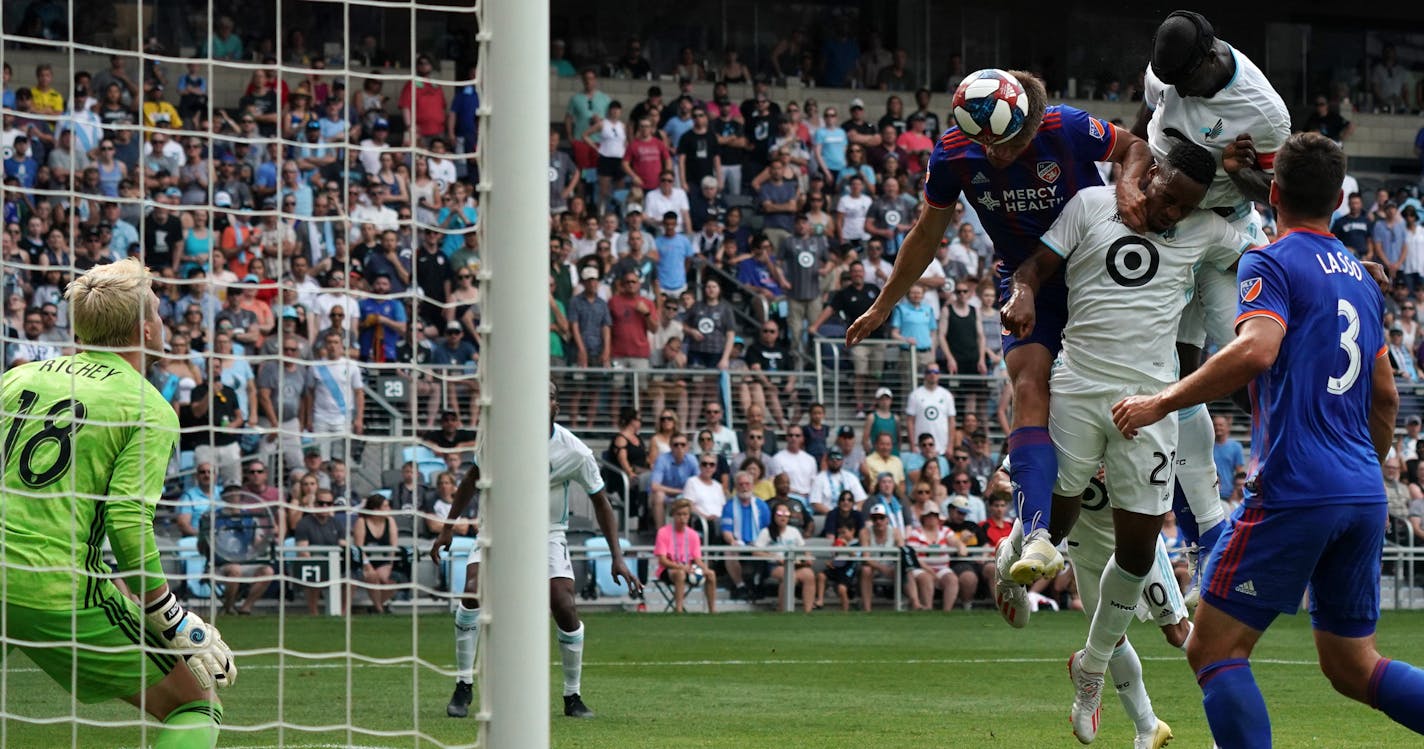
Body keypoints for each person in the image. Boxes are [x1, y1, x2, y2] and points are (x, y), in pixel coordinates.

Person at [1112, 132, 1424, 748]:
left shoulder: (1272, 260)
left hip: (1297, 483)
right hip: (1363, 489)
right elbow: (1385, 397)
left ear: (1273, 192)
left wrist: (1161, 400)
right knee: (1351, 665)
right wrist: (1364, 465)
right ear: (1338, 199)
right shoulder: (1364, 280)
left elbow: (1257, 348)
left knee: (1211, 647)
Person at [846, 67, 1151, 593]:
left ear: (1030, 125)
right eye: (983, 143)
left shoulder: (1066, 127)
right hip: (1024, 283)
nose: (995, 155)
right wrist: (883, 304)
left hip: (1093, 279)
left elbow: (1136, 147)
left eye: (1006, 145)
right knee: (1028, 385)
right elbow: (925, 234)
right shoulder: (953, 153)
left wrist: (1125, 186)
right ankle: (1034, 535)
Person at [1001, 141, 1246, 739]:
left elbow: (1280, 251)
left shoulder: (1208, 229)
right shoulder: (1089, 204)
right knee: (1050, 530)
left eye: (1184, 209)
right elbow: (1035, 265)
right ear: (1150, 175)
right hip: (1080, 385)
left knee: (1138, 553)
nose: (1170, 215)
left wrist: (1346, 258)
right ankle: (1010, 555)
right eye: (1166, 199)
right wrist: (1024, 291)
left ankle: (1092, 668)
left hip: (1152, 401)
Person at [0, 259, 232, 746]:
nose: (165, 323)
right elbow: (128, 522)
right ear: (146, 329)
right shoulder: (148, 406)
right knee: (195, 702)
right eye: (161, 314)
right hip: (51, 587)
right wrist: (170, 615)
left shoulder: (16, 379)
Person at [1132, 11, 1294, 603]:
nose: (1175, 90)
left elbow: (1275, 194)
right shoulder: (1169, 71)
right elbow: (1147, 118)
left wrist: (1239, 171)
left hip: (1221, 228)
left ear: (1210, 58)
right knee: (1166, 375)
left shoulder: (1264, 112)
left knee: (1249, 358)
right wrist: (1134, 177)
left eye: (1185, 81)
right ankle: (1209, 533)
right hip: (1161, 217)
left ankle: (1261, 503)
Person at [430, 383, 641, 720]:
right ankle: (463, 684)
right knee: (472, 592)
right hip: (497, 528)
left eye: (549, 396)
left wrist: (617, 556)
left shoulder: (575, 452)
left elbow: (601, 501)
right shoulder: (498, 437)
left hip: (548, 533)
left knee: (563, 603)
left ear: (556, 405)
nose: (542, 401)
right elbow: (471, 478)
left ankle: (572, 696)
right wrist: (447, 527)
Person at [655, 499, 718, 614]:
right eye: (679, 514)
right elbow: (662, 560)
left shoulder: (693, 535)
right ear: (673, 515)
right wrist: (681, 567)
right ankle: (679, 609)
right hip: (668, 569)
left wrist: (704, 569)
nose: (682, 518)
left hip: (688, 567)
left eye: (685, 514)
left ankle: (712, 611)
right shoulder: (663, 532)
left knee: (711, 574)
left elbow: (697, 559)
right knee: (680, 573)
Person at [753, 502, 815, 612]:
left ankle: (808, 612)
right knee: (789, 576)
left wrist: (808, 557)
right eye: (779, 513)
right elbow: (756, 552)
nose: (783, 516)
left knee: (809, 575)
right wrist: (774, 556)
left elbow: (804, 549)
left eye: (786, 513)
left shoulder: (794, 531)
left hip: (793, 563)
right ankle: (783, 610)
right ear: (774, 515)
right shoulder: (766, 532)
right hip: (774, 565)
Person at [720, 472, 771, 600]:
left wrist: (760, 543)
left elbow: (768, 529)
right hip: (739, 543)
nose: (744, 487)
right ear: (736, 487)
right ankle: (740, 586)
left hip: (758, 544)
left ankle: (757, 585)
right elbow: (726, 531)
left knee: (764, 551)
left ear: (752, 486)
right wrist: (732, 541)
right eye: (741, 484)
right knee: (729, 551)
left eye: (747, 484)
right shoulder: (729, 506)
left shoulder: (762, 505)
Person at [352, 493, 399, 614]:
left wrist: (390, 565)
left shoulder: (390, 521)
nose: (389, 509)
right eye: (385, 506)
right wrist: (367, 566)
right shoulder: (361, 522)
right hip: (364, 561)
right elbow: (359, 548)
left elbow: (394, 547)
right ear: (375, 509)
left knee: (392, 579)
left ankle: (376, 607)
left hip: (383, 561)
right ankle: (379, 610)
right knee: (372, 577)